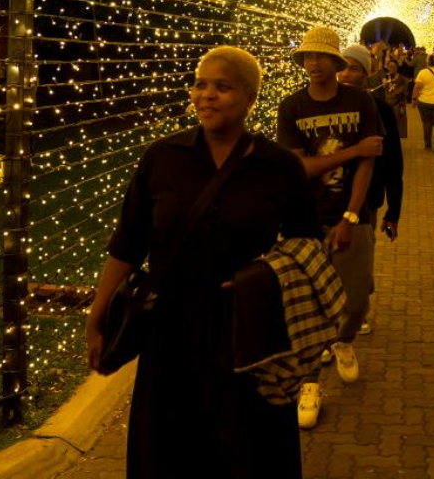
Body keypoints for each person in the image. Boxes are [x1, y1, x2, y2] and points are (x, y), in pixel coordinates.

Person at [86, 46, 321, 478]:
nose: (206, 95)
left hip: (248, 332)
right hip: (171, 331)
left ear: (250, 98)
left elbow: (307, 246)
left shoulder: (279, 166)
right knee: (170, 449)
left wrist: (266, 277)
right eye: (200, 84)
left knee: (250, 449)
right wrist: (97, 315)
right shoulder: (163, 157)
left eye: (222, 87)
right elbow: (128, 242)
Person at [276, 26, 381, 429]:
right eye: (307, 56)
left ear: (337, 63)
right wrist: (353, 150)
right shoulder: (292, 107)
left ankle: (343, 340)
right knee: (306, 307)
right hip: (304, 220)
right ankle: (309, 384)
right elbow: (299, 167)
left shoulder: (360, 101)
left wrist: (350, 216)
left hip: (352, 214)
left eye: (321, 56)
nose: (313, 63)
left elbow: (370, 161)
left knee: (355, 300)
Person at [340, 44, 405, 335]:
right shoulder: (324, 107)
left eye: (353, 68)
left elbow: (393, 163)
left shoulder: (381, 111)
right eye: (342, 67)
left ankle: (357, 309)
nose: (345, 74)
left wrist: (395, 210)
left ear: (367, 73)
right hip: (328, 199)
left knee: (360, 256)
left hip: (368, 198)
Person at [413, 53, 434, 151]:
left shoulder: (422, 72)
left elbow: (417, 87)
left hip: (424, 101)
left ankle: (427, 144)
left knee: (426, 123)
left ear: (427, 62)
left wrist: (414, 99)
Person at [381, 59, 410, 139]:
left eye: (393, 66)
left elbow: (403, 94)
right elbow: (383, 92)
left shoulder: (402, 79)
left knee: (398, 129)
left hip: (397, 105)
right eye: (390, 66)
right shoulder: (385, 78)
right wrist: (384, 85)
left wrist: (402, 106)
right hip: (387, 105)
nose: (391, 68)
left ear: (397, 67)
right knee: (387, 128)